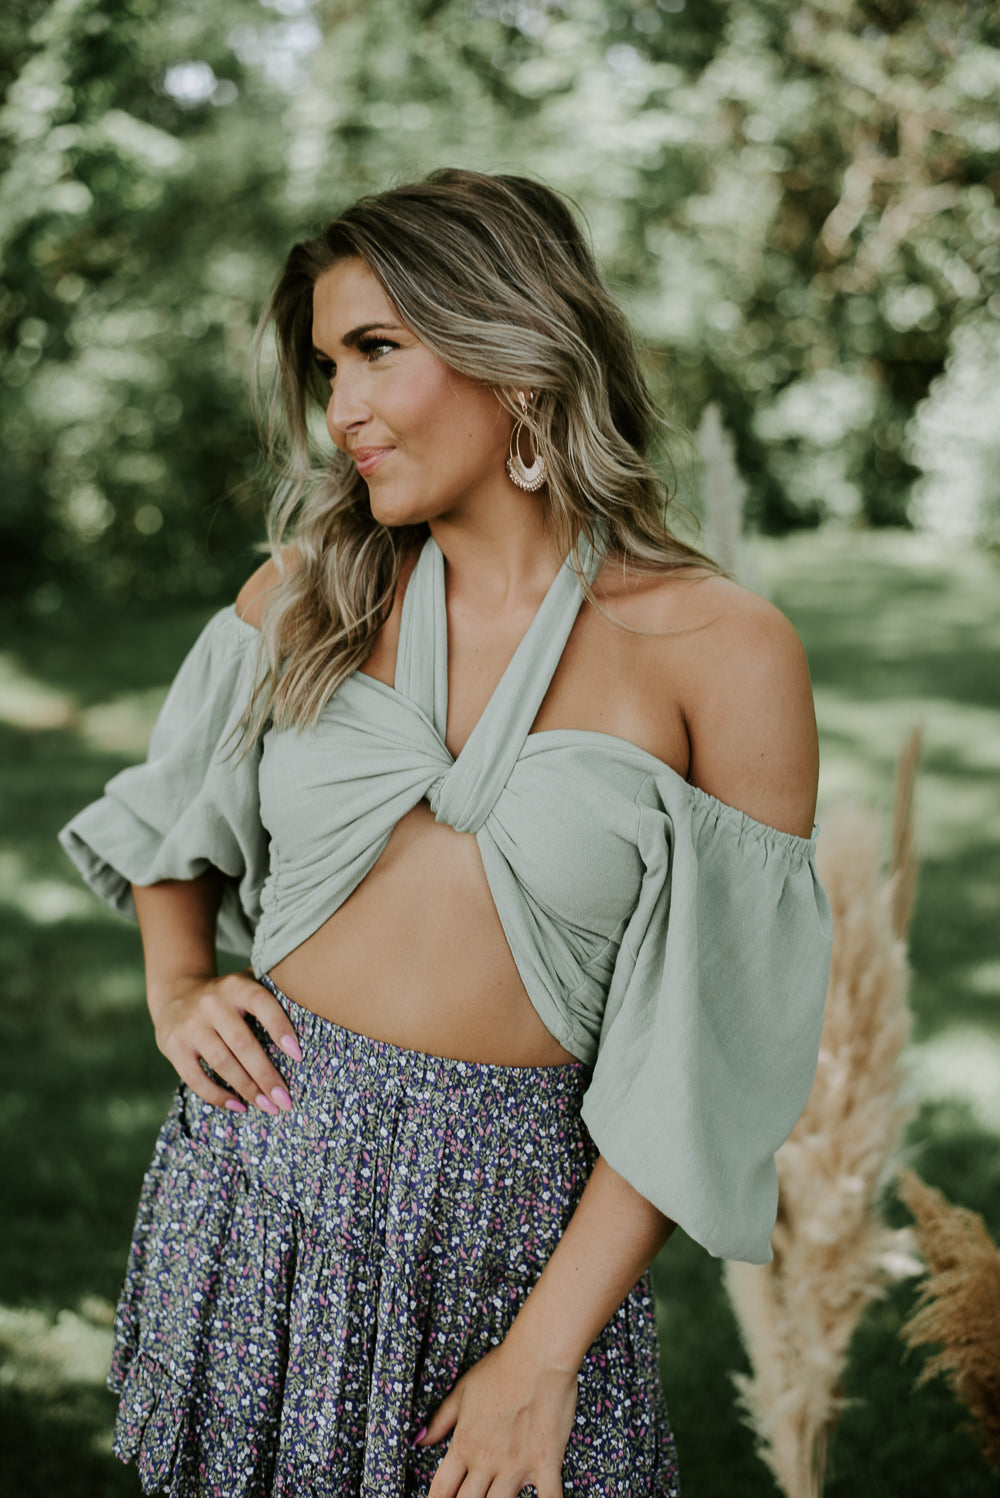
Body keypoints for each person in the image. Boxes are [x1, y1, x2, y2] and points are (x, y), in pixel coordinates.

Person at [59, 168, 832, 1498]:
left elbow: (706, 1053)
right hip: (260, 1194)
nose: (341, 410)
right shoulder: (308, 591)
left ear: (515, 352)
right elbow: (170, 812)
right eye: (327, 366)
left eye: (377, 350)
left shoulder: (725, 651)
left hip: (521, 1252)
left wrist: (544, 1354)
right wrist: (178, 980)